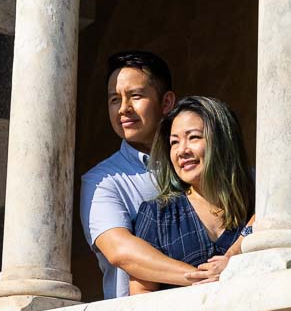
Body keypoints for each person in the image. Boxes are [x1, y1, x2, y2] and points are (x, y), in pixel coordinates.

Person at [80, 52, 223, 298]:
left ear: (166, 103)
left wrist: (232, 261)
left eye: (135, 96)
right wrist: (206, 280)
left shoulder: (198, 161)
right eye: (114, 99)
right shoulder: (102, 180)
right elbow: (120, 251)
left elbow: (256, 199)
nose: (124, 109)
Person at [129, 96, 255, 293]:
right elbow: (140, 293)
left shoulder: (258, 199)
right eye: (174, 142)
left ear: (223, 140)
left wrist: (235, 257)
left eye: (194, 137)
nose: (181, 151)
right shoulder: (157, 214)